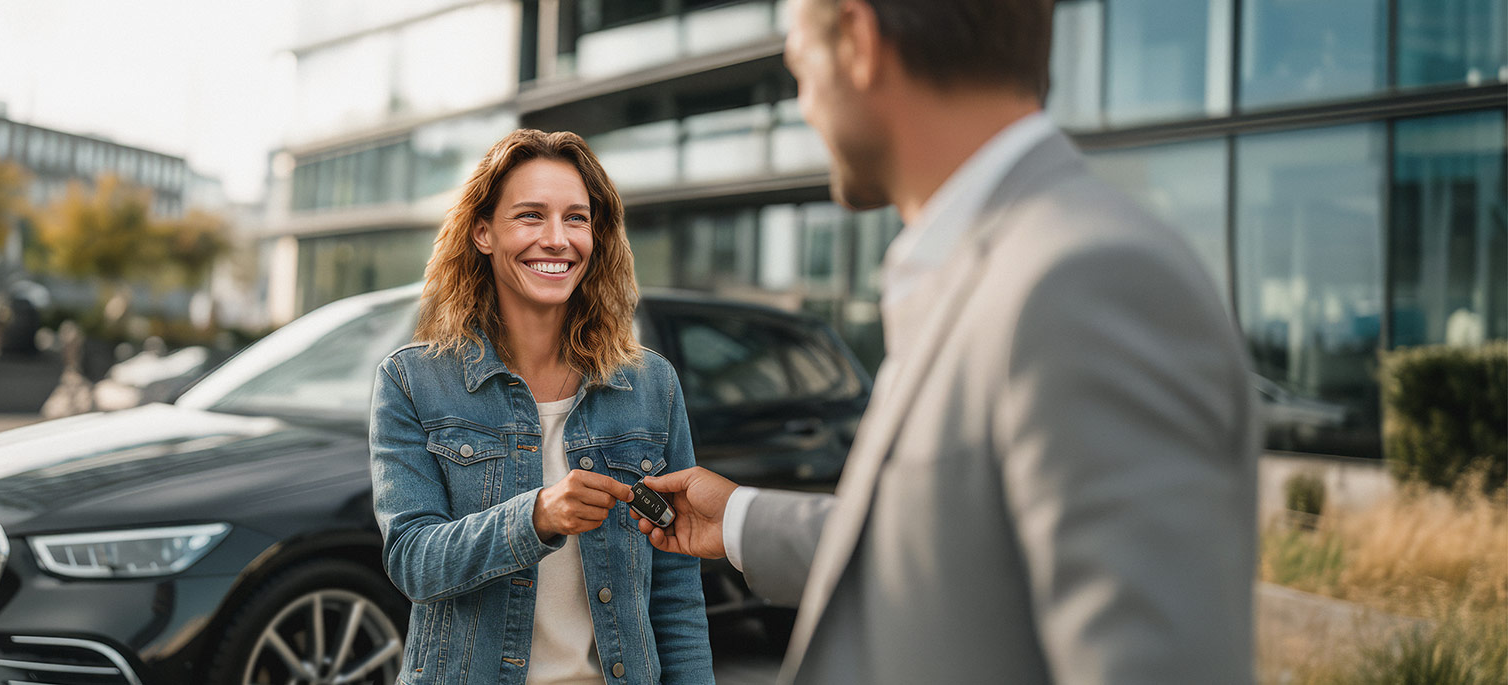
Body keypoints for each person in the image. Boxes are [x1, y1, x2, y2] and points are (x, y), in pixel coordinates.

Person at [631, 0, 1258, 682]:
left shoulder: (1085, 279)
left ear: (861, 42)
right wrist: (742, 521)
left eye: (800, 66)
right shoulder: (994, 266)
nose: (804, 106)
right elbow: (953, 554)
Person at [370, 129, 714, 684]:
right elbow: (413, 561)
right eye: (531, 216)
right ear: (483, 232)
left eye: (577, 218)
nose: (557, 239)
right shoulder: (413, 381)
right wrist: (535, 517)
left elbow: (676, 593)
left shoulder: (652, 385)